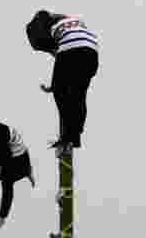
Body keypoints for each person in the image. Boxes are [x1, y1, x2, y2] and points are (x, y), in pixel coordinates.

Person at [26, 9, 99, 156]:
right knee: (79, 95)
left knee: (61, 95)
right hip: (92, 52)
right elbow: (69, 49)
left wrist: (55, 85)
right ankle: (75, 135)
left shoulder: (46, 27)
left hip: (70, 50)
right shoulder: (74, 21)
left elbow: (59, 53)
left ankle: (66, 137)